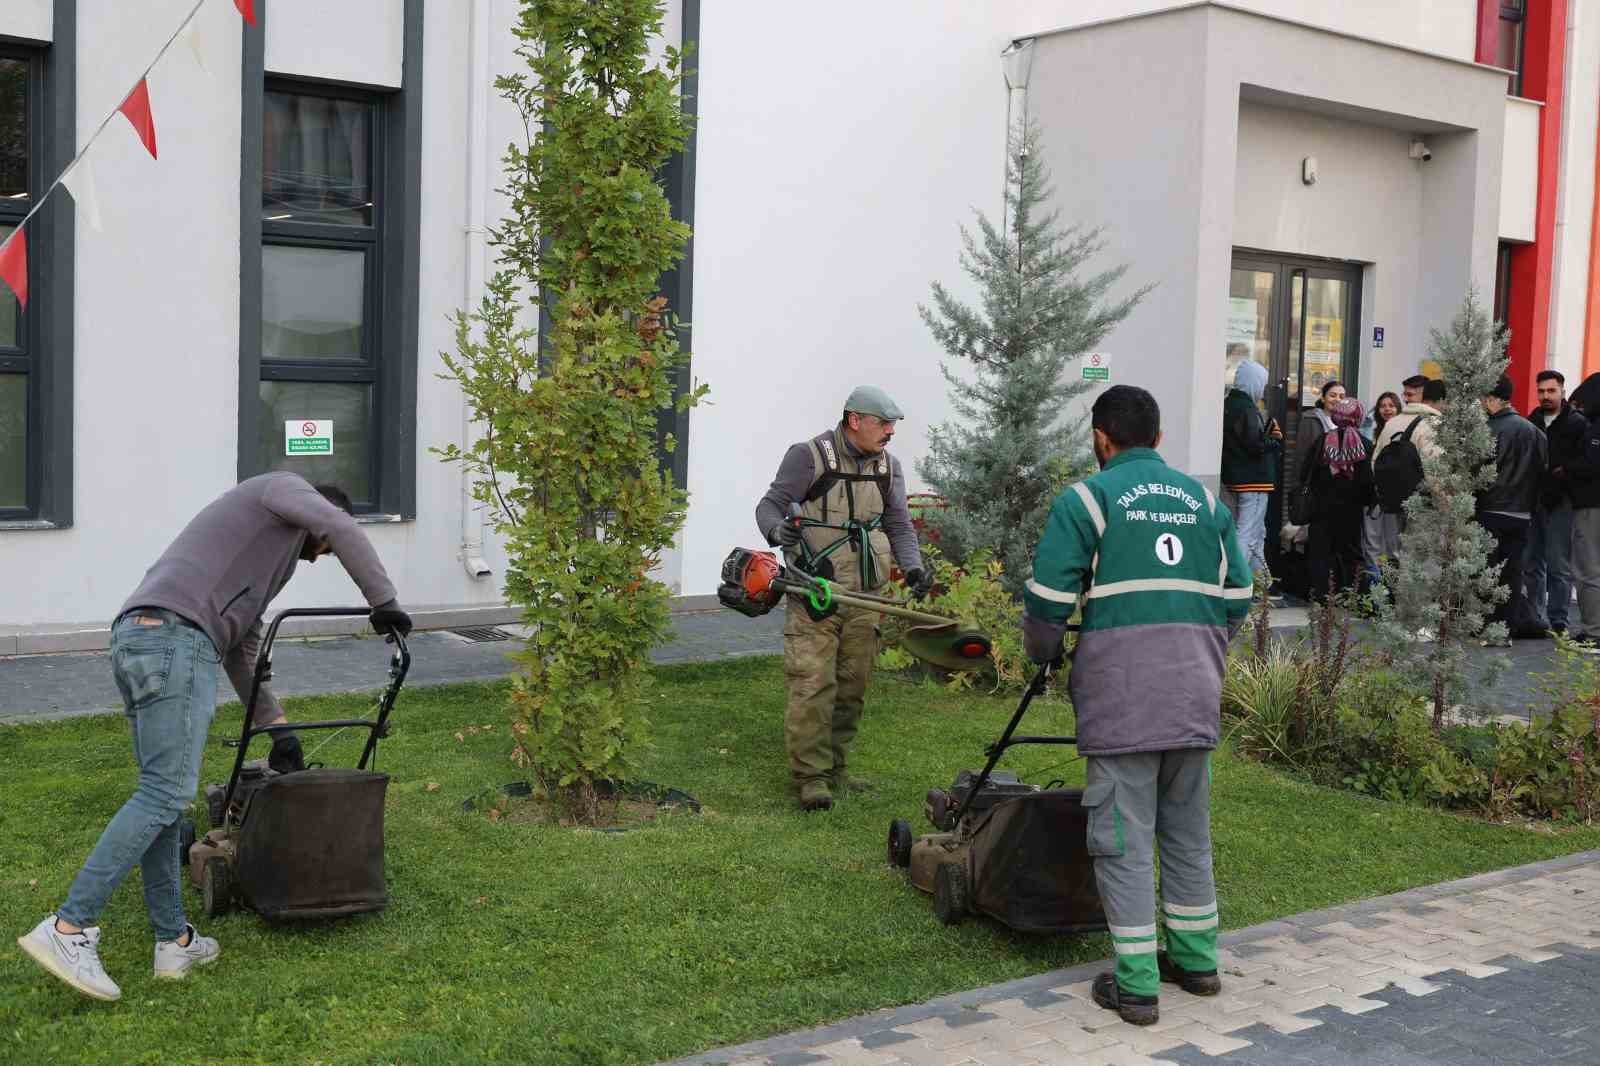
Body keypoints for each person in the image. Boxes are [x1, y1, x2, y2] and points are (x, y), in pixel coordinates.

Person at [17, 472, 411, 1001]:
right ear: (315, 516)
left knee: (167, 801)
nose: (317, 558)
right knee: (163, 793)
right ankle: (68, 928)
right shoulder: (284, 488)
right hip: (176, 640)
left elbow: (241, 650)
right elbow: (340, 524)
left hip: (142, 637)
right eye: (319, 549)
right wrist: (382, 600)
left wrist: (279, 730)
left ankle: (173, 939)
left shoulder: (256, 560)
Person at [1022, 385, 1251, 1028]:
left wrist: (1043, 653)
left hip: (1124, 699)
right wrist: (1195, 643)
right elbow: (1239, 594)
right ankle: (1198, 963)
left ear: (1101, 437)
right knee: (1185, 832)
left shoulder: (1087, 500)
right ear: (1159, 435)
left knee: (1120, 841)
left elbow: (1046, 603)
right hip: (1194, 692)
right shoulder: (1206, 501)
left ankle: (1137, 987)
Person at [755, 386, 929, 812]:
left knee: (852, 686)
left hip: (867, 596)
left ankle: (836, 767)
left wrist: (914, 567)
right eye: (883, 423)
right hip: (815, 593)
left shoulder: (889, 467)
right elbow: (770, 506)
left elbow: (900, 526)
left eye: (893, 425)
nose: (890, 432)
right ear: (855, 419)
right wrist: (779, 533)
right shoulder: (809, 456)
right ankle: (811, 777)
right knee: (813, 682)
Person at [1477, 375, 1546, 644]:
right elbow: (1543, 472)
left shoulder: (1488, 430)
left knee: (1488, 571)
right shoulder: (1534, 431)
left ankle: (1489, 627)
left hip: (1491, 509)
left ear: (1491, 398)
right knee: (1513, 572)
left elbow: (1479, 471)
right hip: (1522, 512)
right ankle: (1506, 629)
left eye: (1484, 398)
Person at [1524, 370, 1586, 635]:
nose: (1545, 396)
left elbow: (1584, 462)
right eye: (1541, 391)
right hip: (1533, 499)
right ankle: (1536, 617)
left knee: (1559, 565)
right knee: (1532, 563)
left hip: (1561, 501)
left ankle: (1559, 620)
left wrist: (1564, 472)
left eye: (1551, 391)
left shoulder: (1577, 423)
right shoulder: (1532, 421)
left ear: (1562, 390)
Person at [1299, 398, 1372, 601]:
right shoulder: (1365, 445)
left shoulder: (1322, 441)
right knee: (1351, 554)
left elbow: (1305, 473)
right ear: (1358, 418)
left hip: (1321, 509)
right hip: (1351, 510)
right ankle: (1352, 595)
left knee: (1321, 553)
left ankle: (1321, 595)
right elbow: (1368, 481)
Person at [1220, 360, 1281, 584]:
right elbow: (1255, 445)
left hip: (1236, 479)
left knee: (1256, 530)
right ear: (1253, 382)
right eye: (1262, 383)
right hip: (1253, 481)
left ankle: (1261, 581)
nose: (1263, 389)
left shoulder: (1229, 404)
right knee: (1248, 531)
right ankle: (1238, 581)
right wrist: (1274, 438)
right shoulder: (1246, 408)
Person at [1560, 373, 1600, 648]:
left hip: (1591, 505)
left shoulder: (1596, 427)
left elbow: (1592, 463)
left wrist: (1567, 469)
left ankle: (1594, 633)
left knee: (1588, 570)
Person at [1360, 392, 1404, 586]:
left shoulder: (1404, 430)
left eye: (1391, 405)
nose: (1387, 409)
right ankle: (1373, 587)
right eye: (1383, 406)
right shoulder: (1370, 430)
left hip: (1394, 496)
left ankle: (1391, 585)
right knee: (1372, 541)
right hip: (1372, 495)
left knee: (1394, 542)